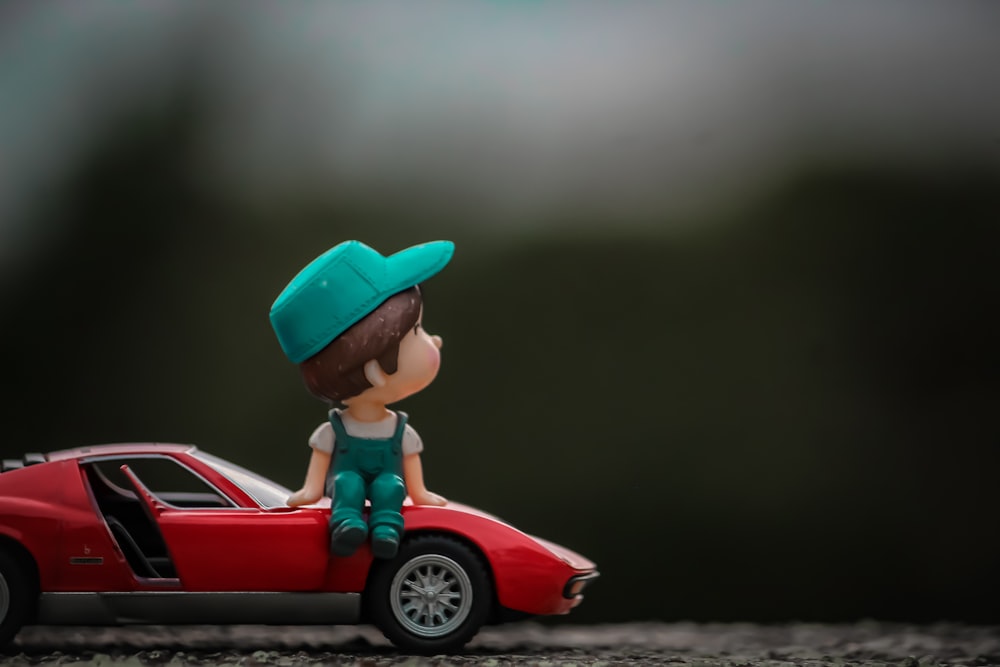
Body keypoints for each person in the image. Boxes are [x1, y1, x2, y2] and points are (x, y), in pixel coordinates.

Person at [269, 240, 452, 559]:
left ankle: (385, 529)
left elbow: (411, 471)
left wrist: (420, 494)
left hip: (389, 481)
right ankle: (346, 524)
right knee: (348, 484)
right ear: (375, 370)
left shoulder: (400, 429)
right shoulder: (334, 430)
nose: (435, 339)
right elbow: (320, 467)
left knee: (391, 487)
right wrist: (310, 491)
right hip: (345, 482)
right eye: (418, 330)